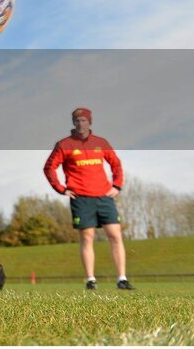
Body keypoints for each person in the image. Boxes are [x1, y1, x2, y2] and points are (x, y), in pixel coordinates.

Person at [44, 107, 134, 291]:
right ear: (73, 122)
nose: (80, 123)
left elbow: (116, 164)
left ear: (89, 122)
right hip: (81, 198)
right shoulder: (64, 144)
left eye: (84, 120)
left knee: (115, 235)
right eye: (77, 120)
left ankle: (122, 279)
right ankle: (91, 280)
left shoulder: (101, 142)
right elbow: (49, 168)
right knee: (87, 237)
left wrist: (117, 185)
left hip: (104, 196)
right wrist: (61, 189)